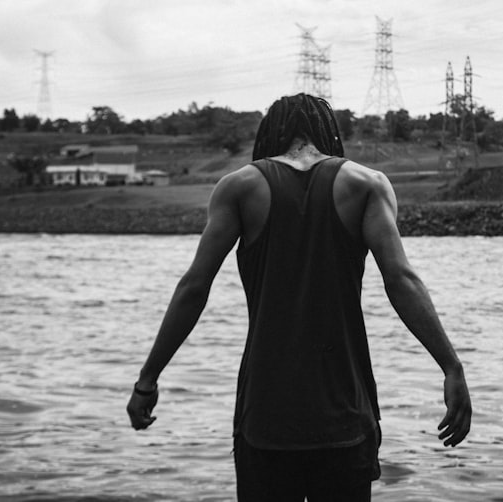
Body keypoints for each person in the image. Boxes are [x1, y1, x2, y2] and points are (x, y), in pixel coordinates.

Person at [127, 93, 472, 501]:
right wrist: (451, 367)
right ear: (327, 134)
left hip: (266, 418)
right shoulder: (367, 185)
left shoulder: (239, 187)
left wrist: (147, 380)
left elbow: (193, 287)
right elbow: (401, 280)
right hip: (346, 415)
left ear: (271, 134)